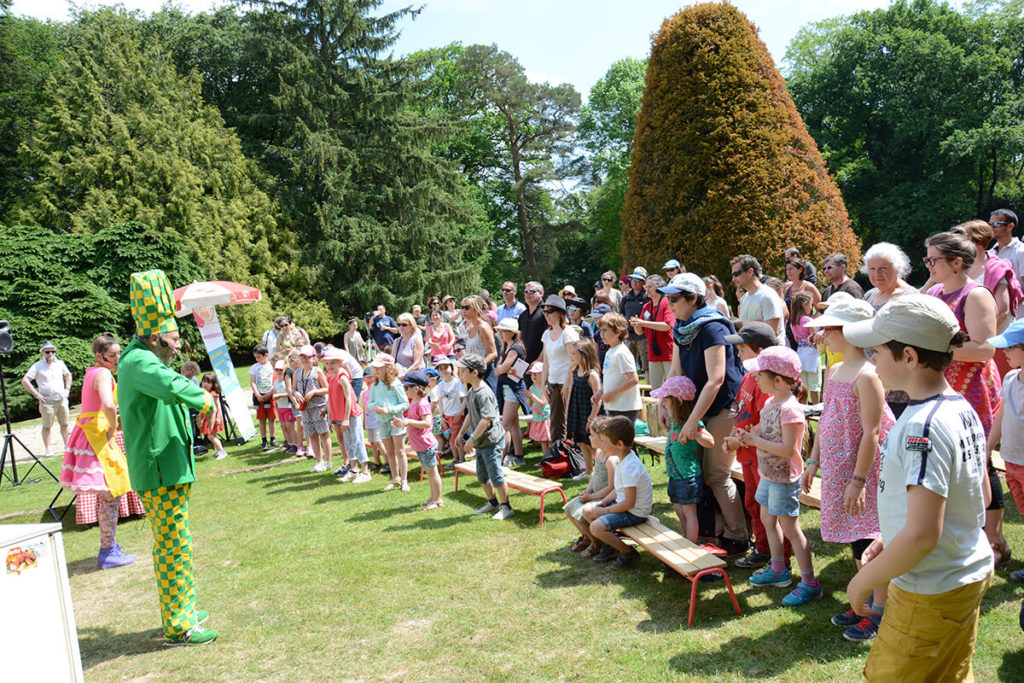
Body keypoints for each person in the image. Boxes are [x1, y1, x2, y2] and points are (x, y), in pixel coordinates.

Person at [843, 294, 992, 682]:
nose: (872, 360)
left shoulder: (920, 427)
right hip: (963, 576)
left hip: (929, 588)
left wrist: (864, 581)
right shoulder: (960, 408)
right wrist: (892, 539)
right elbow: (981, 496)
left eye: (876, 351)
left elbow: (925, 533)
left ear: (908, 357)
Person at [119, 269, 218, 645]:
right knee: (173, 545)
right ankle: (180, 623)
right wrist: (207, 398)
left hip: (167, 466)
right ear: (156, 336)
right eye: (174, 340)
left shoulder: (143, 358)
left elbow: (171, 389)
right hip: (160, 470)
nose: (178, 348)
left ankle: (185, 608)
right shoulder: (140, 362)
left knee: (178, 542)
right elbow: (174, 386)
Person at [804, 297, 895, 641]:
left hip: (864, 472)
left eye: (830, 328)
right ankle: (864, 601)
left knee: (868, 538)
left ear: (852, 331)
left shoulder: (868, 374)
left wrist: (858, 482)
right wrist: (814, 460)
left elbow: (872, 432)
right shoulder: (833, 370)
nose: (824, 334)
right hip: (839, 470)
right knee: (855, 538)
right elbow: (827, 419)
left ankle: (879, 611)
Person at [923, 230, 1007, 564]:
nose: (928, 264)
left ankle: (994, 541)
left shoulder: (976, 294)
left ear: (956, 263)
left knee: (979, 464)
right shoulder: (937, 291)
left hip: (972, 388)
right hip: (942, 387)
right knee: (953, 466)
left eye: (934, 259)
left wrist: (936, 349)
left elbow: (986, 348)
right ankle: (959, 535)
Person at [662, 272, 749, 556]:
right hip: (693, 410)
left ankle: (738, 538)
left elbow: (716, 380)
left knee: (716, 476)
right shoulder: (680, 327)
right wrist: (666, 406)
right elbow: (676, 372)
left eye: (674, 298)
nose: (670, 303)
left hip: (722, 407)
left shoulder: (712, 327)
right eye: (668, 298)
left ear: (693, 298)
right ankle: (712, 534)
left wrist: (689, 421)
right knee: (696, 475)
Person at [736, 347, 820, 607]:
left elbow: (787, 449)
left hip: (784, 479)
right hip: (768, 475)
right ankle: (778, 570)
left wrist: (755, 439)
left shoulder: (791, 410)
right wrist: (749, 434)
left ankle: (809, 583)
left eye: (760, 374)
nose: (755, 378)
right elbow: (763, 429)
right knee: (766, 518)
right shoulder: (772, 403)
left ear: (780, 380)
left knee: (791, 529)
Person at [59, 333, 140, 569]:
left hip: (89, 433)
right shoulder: (103, 373)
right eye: (112, 355)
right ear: (99, 356)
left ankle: (109, 547)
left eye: (118, 354)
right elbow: (107, 404)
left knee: (109, 495)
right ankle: (107, 550)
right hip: (97, 436)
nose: (117, 359)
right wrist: (114, 425)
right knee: (110, 494)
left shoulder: (92, 372)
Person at [723, 322, 787, 570]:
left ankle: (779, 555)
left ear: (760, 350)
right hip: (746, 454)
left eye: (742, 347)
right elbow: (739, 410)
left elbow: (766, 422)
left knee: (770, 507)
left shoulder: (768, 384)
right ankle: (762, 548)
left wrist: (739, 439)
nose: (737, 352)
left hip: (763, 456)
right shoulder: (749, 377)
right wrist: (732, 437)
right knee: (752, 502)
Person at [583, 416, 653, 570]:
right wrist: (603, 503)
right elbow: (618, 490)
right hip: (625, 507)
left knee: (596, 527)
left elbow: (629, 503)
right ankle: (610, 546)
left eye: (605, 442)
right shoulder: (622, 459)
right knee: (589, 512)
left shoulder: (629, 467)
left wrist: (605, 510)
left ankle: (628, 552)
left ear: (619, 444)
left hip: (635, 513)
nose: (603, 446)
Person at [653, 375, 714, 543]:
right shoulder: (675, 420)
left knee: (689, 512)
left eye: (666, 399)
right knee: (679, 509)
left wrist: (694, 433)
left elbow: (710, 442)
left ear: (678, 401)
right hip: (675, 476)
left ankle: (691, 544)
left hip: (688, 477)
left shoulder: (691, 422)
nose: (663, 403)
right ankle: (687, 539)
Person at [986, 320, 1024, 581]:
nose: (1005, 352)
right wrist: (988, 449)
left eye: (1010, 347)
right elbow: (1000, 418)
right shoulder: (1011, 378)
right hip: (1011, 460)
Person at [455, 353, 514, 520]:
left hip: (491, 441)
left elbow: (486, 420)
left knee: (495, 475)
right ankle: (493, 503)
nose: (460, 374)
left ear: (474, 372)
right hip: (481, 441)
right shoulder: (472, 391)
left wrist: (472, 439)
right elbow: (470, 415)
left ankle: (506, 507)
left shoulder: (483, 393)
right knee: (482, 476)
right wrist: (461, 433)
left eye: (463, 371)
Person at [861, 242, 916, 418]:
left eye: (883, 268)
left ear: (898, 267)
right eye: (872, 269)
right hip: (869, 379)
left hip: (897, 387)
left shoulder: (910, 297)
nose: (877, 275)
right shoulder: (870, 295)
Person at [564, 418, 619, 557]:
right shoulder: (599, 453)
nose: (589, 437)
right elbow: (594, 476)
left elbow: (612, 488)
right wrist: (588, 491)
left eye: (592, 435)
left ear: (602, 439)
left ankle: (597, 542)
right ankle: (588, 537)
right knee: (569, 509)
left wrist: (592, 497)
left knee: (584, 511)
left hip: (604, 498)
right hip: (594, 494)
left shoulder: (611, 459)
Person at [394, 370, 442, 509]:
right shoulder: (414, 402)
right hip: (420, 445)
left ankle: (438, 500)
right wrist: (403, 422)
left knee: (432, 472)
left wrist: (408, 421)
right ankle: (433, 496)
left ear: (415, 388)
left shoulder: (422, 403)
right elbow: (413, 421)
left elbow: (427, 423)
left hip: (426, 445)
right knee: (429, 471)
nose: (404, 390)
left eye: (406, 387)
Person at [539, 295, 581, 442]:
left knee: (569, 419)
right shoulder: (546, 334)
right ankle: (557, 455)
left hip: (567, 382)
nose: (546, 315)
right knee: (555, 421)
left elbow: (574, 361)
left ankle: (571, 454)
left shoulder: (568, 333)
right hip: (553, 381)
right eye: (544, 311)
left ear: (558, 312)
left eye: (549, 311)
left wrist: (568, 384)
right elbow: (546, 361)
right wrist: (543, 384)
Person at [323, 348, 368, 482]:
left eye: (333, 363)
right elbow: (330, 398)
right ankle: (354, 469)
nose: (330, 366)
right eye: (327, 363)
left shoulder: (342, 377)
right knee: (348, 443)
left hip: (351, 415)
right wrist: (330, 417)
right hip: (339, 416)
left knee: (358, 442)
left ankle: (365, 471)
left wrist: (347, 418)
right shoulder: (330, 377)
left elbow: (349, 398)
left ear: (339, 363)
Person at [21, 340, 72, 456]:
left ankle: (67, 446)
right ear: (43, 353)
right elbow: (25, 380)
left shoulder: (60, 363)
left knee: (65, 424)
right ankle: (48, 449)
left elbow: (68, 375)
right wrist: (36, 394)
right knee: (47, 426)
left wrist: (67, 389)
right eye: (48, 352)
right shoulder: (37, 366)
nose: (50, 354)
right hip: (47, 401)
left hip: (62, 400)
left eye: (52, 351)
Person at [368, 353, 410, 491]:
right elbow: (370, 403)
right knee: (390, 452)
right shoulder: (375, 384)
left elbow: (405, 404)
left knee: (400, 451)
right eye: (375, 368)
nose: (376, 370)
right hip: (382, 422)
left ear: (388, 368)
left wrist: (389, 410)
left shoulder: (396, 384)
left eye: (379, 367)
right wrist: (374, 407)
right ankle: (395, 479)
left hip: (396, 421)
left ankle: (404, 480)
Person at [564, 338, 602, 476]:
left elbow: (598, 401)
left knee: (593, 444)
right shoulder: (575, 371)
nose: (571, 356)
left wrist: (592, 419)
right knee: (581, 442)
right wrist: (567, 411)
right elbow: (571, 393)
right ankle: (588, 471)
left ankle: (601, 472)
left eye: (574, 353)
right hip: (576, 410)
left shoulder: (592, 375)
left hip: (588, 412)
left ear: (584, 354)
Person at [493, 318, 529, 466]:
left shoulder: (514, 349)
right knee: (513, 425)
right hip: (508, 388)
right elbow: (497, 371)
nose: (499, 333)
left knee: (505, 425)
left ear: (511, 333)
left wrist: (503, 368)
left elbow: (499, 369)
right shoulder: (506, 348)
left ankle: (500, 460)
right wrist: (502, 368)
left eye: (502, 331)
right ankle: (519, 457)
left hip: (512, 390)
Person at [597, 312, 642, 422]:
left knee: (621, 439)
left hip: (625, 408)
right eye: (600, 330)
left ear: (617, 332)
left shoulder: (622, 353)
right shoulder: (610, 352)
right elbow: (611, 377)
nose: (601, 334)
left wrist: (612, 394)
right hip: (614, 406)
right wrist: (601, 392)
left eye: (605, 330)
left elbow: (633, 380)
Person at [632, 274, 675, 390]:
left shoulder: (667, 303)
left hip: (668, 352)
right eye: (646, 286)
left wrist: (643, 323)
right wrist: (636, 325)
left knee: (672, 388)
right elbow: (640, 332)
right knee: (656, 389)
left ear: (659, 287)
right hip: (653, 352)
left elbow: (667, 326)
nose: (646, 289)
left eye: (650, 286)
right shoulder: (647, 306)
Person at [731, 254, 785, 345]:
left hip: (769, 356)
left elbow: (771, 333)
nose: (733, 279)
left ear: (750, 272)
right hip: (753, 356)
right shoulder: (744, 298)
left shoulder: (767, 295)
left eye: (736, 274)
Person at [294, 345, 331, 473]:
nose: (304, 360)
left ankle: (328, 461)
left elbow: (327, 388)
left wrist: (314, 392)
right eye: (302, 357)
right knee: (312, 435)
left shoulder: (317, 371)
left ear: (313, 357)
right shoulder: (297, 372)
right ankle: (319, 461)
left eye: (307, 357)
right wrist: (296, 393)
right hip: (305, 409)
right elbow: (294, 389)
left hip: (318, 406)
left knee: (323, 434)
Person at [989, 208, 1024, 321]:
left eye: (997, 224)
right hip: (994, 315)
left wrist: (1010, 304)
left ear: (1010, 226)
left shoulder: (1021, 251)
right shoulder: (990, 253)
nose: (992, 227)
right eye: (991, 224)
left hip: (1017, 318)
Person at [462, 295, 499, 395]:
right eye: (462, 307)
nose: (463, 310)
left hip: (485, 374)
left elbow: (493, 353)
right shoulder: (470, 327)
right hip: (472, 375)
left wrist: (478, 367)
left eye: (467, 307)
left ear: (476, 309)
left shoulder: (483, 327)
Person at [790, 291, 822, 403]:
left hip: (800, 353)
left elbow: (796, 338)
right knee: (814, 385)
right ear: (805, 303)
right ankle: (816, 407)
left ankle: (804, 408)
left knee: (803, 384)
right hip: (812, 354)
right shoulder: (808, 320)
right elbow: (813, 337)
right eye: (811, 304)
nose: (811, 307)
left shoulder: (793, 321)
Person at [436, 357, 467, 468]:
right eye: (441, 369)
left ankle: (461, 459)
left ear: (451, 368)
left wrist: (460, 412)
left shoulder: (456, 383)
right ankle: (456, 458)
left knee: (457, 438)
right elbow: (440, 401)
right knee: (450, 439)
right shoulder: (440, 385)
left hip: (456, 415)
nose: (444, 370)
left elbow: (465, 398)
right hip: (446, 416)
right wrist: (441, 416)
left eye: (446, 368)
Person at [620, 267, 650, 379]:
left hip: (643, 335)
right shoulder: (626, 298)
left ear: (643, 282)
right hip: (628, 336)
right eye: (633, 280)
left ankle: (649, 391)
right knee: (628, 365)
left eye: (638, 280)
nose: (634, 282)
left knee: (646, 365)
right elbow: (621, 315)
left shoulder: (647, 297)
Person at [250, 344, 277, 451]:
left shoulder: (272, 366)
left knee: (272, 418)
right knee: (262, 419)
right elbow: (252, 382)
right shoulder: (255, 367)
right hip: (259, 397)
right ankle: (264, 440)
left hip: (270, 396)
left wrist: (270, 394)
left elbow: (275, 381)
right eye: (255, 357)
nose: (257, 359)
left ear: (266, 355)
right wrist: (257, 394)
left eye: (259, 357)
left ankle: (273, 438)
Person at [197, 374, 227, 460]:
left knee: (210, 436)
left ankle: (222, 451)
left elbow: (218, 406)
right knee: (212, 435)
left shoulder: (213, 394)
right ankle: (218, 451)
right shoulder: (203, 393)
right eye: (204, 381)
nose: (205, 384)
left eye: (208, 382)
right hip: (208, 417)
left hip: (214, 417)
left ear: (213, 385)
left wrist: (217, 417)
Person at [272, 360, 298, 454]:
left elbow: (290, 393)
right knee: (284, 427)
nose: (279, 371)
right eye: (277, 370)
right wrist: (276, 396)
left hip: (288, 406)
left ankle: (296, 444)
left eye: (281, 369)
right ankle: (289, 444)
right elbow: (274, 393)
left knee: (290, 426)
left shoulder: (286, 380)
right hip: (280, 406)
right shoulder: (276, 382)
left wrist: (279, 395)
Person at [525, 362, 551, 456]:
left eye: (537, 374)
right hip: (537, 418)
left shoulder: (545, 387)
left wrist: (532, 395)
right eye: (532, 374)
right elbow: (529, 404)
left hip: (545, 418)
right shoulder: (532, 387)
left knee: (549, 440)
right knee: (542, 441)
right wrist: (528, 397)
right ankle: (545, 459)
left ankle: (551, 459)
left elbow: (542, 404)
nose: (534, 376)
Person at [518, 281, 546, 367]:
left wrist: (539, 360)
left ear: (540, 293)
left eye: (531, 292)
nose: (527, 294)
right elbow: (519, 339)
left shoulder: (546, 313)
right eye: (525, 292)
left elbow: (549, 340)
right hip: (523, 362)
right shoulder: (523, 315)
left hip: (541, 362)